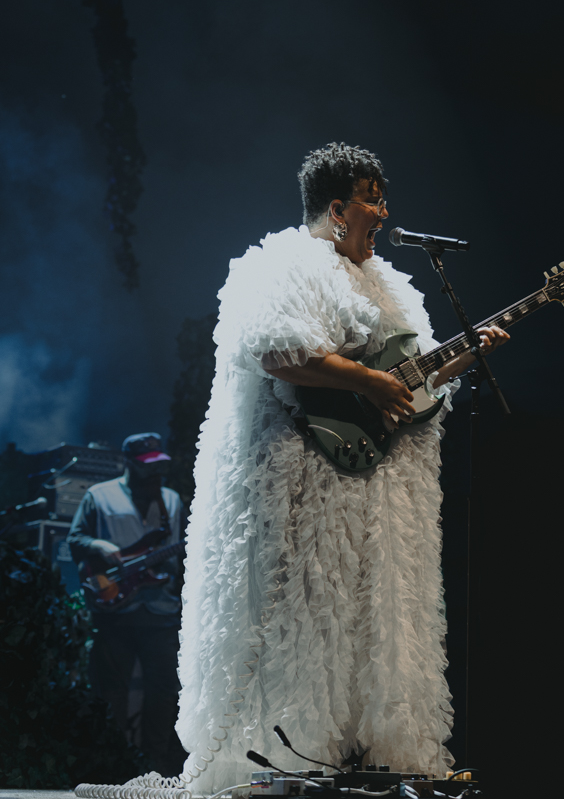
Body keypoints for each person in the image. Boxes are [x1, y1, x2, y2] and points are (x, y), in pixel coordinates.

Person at [176, 143, 509, 791]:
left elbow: (410, 378)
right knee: (305, 619)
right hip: (306, 479)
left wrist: (467, 354)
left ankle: (370, 760)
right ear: (336, 208)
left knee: (372, 623)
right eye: (371, 200)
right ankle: (290, 761)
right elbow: (279, 352)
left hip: (377, 489)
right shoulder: (282, 266)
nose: (383, 213)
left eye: (383, 199)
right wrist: (367, 382)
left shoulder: (392, 286)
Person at [68, 432, 186, 777]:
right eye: (147, 466)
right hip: (115, 611)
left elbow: (180, 551)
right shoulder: (98, 495)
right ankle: (112, 764)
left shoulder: (171, 500)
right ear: (128, 464)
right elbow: (75, 539)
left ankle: (155, 767)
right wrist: (99, 545)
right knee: (110, 691)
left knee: (164, 690)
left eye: (158, 466)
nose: (155, 473)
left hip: (161, 611)